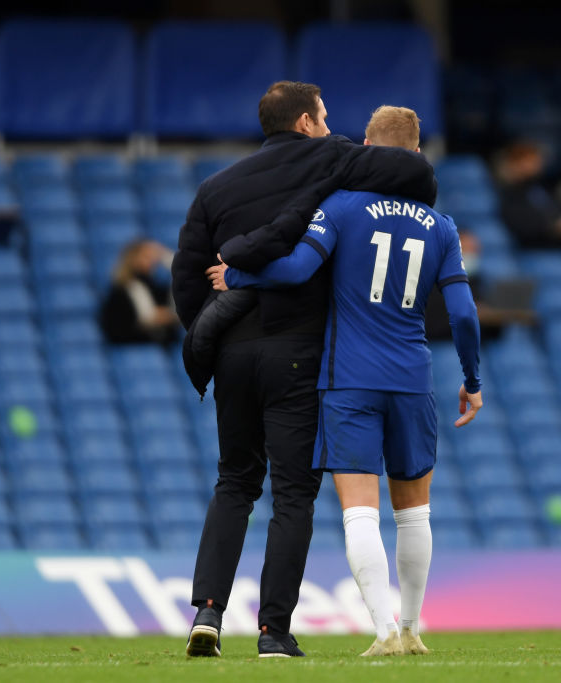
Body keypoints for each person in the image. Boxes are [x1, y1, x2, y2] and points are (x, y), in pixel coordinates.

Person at [171, 81, 438, 659]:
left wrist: (213, 333)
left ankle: (208, 612)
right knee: (293, 493)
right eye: (323, 117)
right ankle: (273, 631)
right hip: (298, 351)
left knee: (234, 481)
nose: (329, 126)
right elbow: (413, 173)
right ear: (304, 124)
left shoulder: (216, 187)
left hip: (234, 353)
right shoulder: (333, 158)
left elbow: (187, 276)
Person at [496, 140, 561, 250]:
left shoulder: (543, 188)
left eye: (535, 160)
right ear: (513, 165)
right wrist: (552, 227)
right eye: (528, 161)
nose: (534, 165)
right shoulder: (509, 195)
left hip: (560, 244)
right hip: (534, 248)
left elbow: (554, 211)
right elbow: (520, 226)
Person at [99, 239, 178, 346]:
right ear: (133, 258)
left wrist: (168, 259)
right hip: (131, 344)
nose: (153, 261)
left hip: (158, 345)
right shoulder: (123, 288)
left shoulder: (155, 287)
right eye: (146, 257)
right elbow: (147, 318)